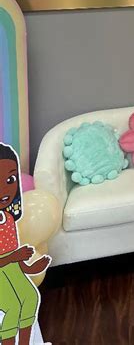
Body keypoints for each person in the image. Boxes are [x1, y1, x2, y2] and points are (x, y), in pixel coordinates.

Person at [0, 143, 51, 345]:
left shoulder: (8, 219)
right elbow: (11, 255)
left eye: (10, 180)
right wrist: (14, 257)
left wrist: (29, 268)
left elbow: (13, 252)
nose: (5, 189)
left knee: (30, 299)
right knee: (12, 307)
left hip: (12, 270)